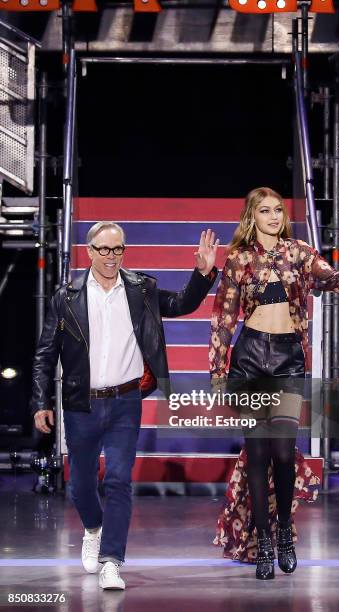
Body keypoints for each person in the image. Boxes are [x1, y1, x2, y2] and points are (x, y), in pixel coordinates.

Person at [32, 221, 219, 590]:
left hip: (125, 401)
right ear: (90, 252)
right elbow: (44, 353)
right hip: (80, 403)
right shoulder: (65, 296)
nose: (111, 256)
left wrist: (202, 273)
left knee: (118, 480)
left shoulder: (141, 289)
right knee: (81, 485)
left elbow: (181, 303)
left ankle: (111, 561)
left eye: (118, 249)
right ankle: (92, 528)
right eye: (104, 249)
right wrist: (40, 401)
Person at [210, 187, 339, 580]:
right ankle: (263, 540)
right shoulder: (240, 258)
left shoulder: (298, 251)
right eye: (265, 211)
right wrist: (217, 371)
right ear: (252, 216)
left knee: (283, 453)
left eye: (278, 210)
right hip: (249, 359)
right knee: (259, 455)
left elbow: (336, 283)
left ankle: (284, 533)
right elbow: (224, 317)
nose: (274, 216)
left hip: (286, 359)